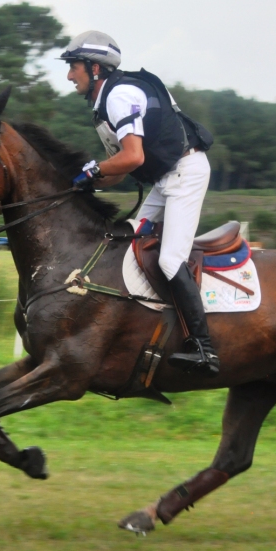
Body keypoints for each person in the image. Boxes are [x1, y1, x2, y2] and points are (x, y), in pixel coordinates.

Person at [59, 30, 219, 377]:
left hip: (185, 174)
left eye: (74, 67)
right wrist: (81, 184)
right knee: (129, 242)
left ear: (95, 68)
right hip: (167, 179)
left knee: (170, 258)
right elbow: (118, 170)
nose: (70, 75)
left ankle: (205, 349)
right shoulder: (107, 101)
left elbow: (131, 157)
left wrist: (92, 172)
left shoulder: (119, 97)